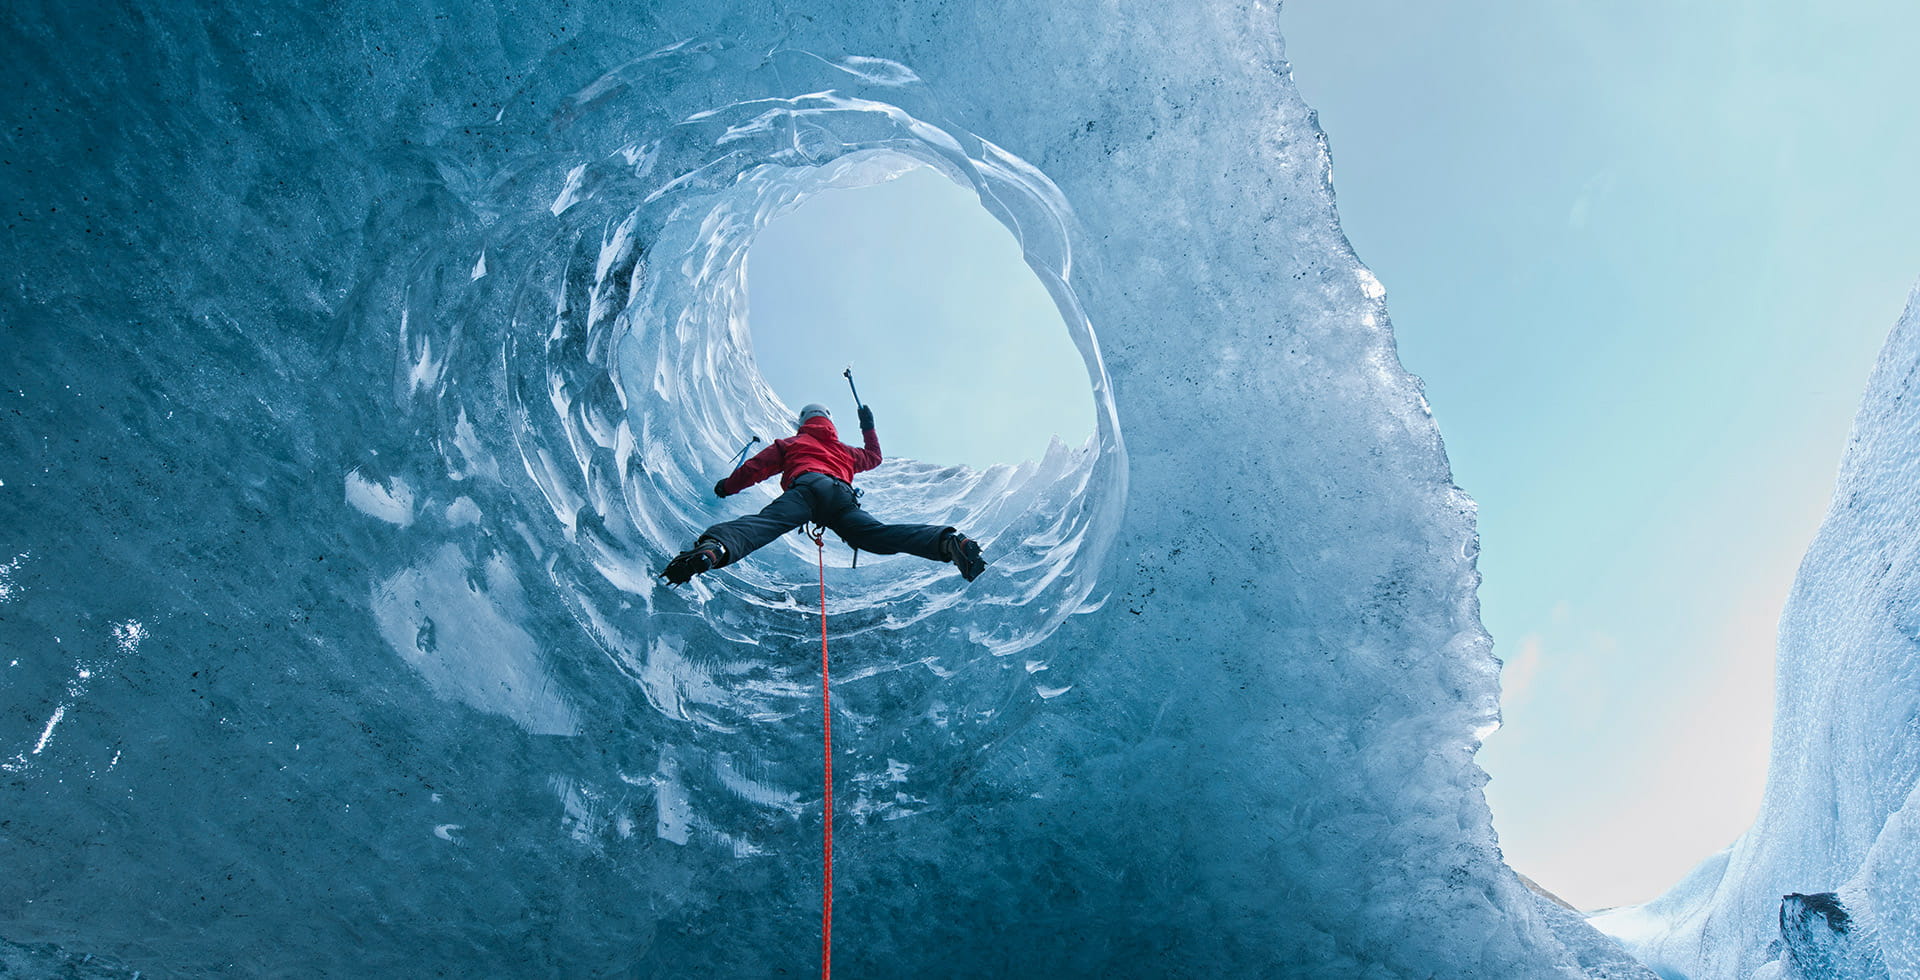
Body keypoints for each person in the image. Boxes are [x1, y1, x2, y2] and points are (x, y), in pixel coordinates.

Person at [662, 402, 988, 585]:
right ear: (830, 423)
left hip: (807, 488)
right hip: (843, 497)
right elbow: (874, 457)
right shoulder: (843, 449)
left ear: (802, 423)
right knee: (875, 535)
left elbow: (756, 468)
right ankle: (948, 542)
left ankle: (714, 549)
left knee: (767, 524)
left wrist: (727, 486)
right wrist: (868, 424)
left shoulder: (792, 443)